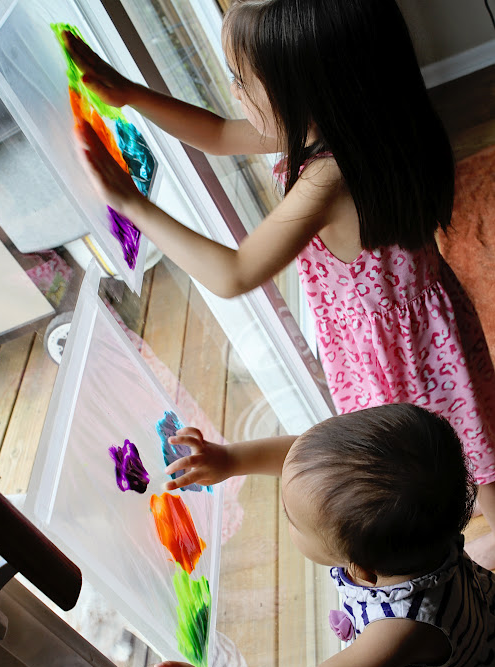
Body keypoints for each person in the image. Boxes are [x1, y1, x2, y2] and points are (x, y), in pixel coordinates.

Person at [63, 0, 495, 567]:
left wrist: (131, 203)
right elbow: (218, 134)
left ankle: (459, 573)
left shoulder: (330, 177)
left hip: (395, 355)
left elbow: (234, 273)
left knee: (414, 464)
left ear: (307, 91)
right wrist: (130, 94)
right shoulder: (373, 120)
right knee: (466, 449)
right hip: (426, 327)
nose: (234, 93)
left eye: (243, 81)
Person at [142, 405, 495, 667]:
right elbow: (303, 460)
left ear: (360, 570)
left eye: (293, 521)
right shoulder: (425, 528)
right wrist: (230, 458)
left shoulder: (400, 630)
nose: (284, 510)